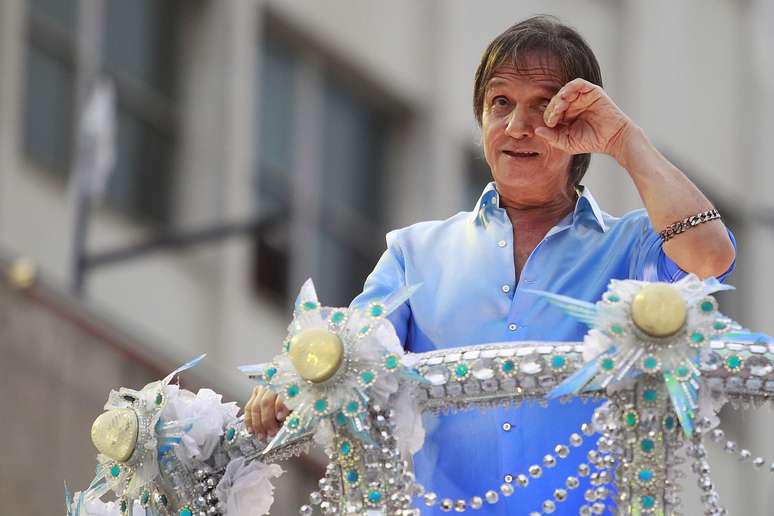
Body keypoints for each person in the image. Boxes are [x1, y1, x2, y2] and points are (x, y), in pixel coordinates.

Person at [245, 15, 736, 514]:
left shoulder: (629, 248)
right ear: (481, 118)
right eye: (501, 103)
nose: (517, 127)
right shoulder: (415, 252)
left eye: (543, 106)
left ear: (578, 124)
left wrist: (623, 140)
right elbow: (353, 353)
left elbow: (710, 256)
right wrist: (295, 378)